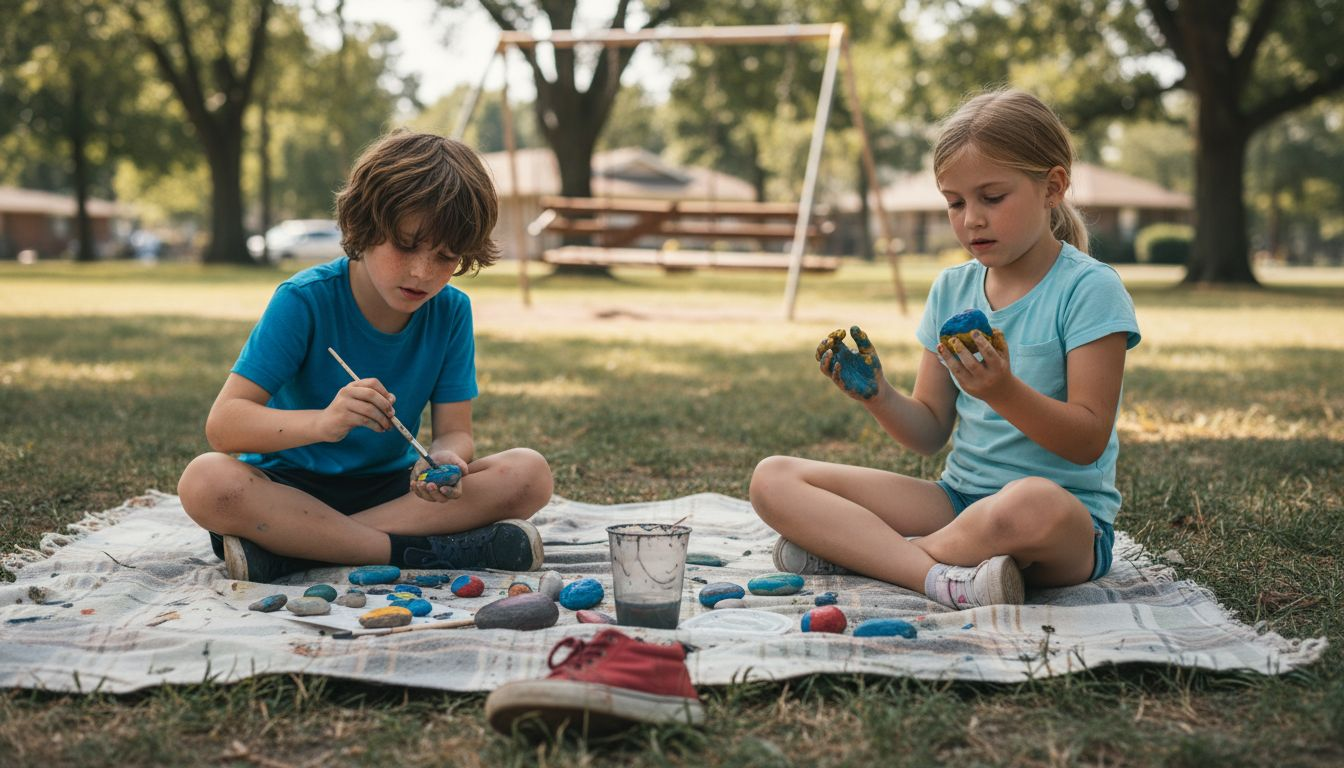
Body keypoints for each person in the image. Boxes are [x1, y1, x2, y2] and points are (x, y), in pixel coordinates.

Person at [749, 89, 1141, 609]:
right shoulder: (950, 289)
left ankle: (878, 557)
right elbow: (930, 430)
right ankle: (939, 574)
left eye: (991, 198)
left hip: (1064, 525)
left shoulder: (1089, 289)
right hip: (955, 503)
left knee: (1027, 504)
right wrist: (878, 395)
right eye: (955, 202)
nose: (970, 219)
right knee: (772, 477)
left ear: (1053, 187)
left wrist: (1003, 391)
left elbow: (1088, 439)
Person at [177, 130, 553, 583]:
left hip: (395, 494)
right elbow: (224, 426)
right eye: (406, 245)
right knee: (207, 482)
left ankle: (297, 550)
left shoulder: (452, 311)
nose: (422, 272)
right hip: (290, 489)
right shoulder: (304, 300)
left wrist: (443, 462)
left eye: (446, 256)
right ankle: (420, 552)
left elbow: (455, 432)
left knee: (530, 473)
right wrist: (324, 423)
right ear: (365, 225)